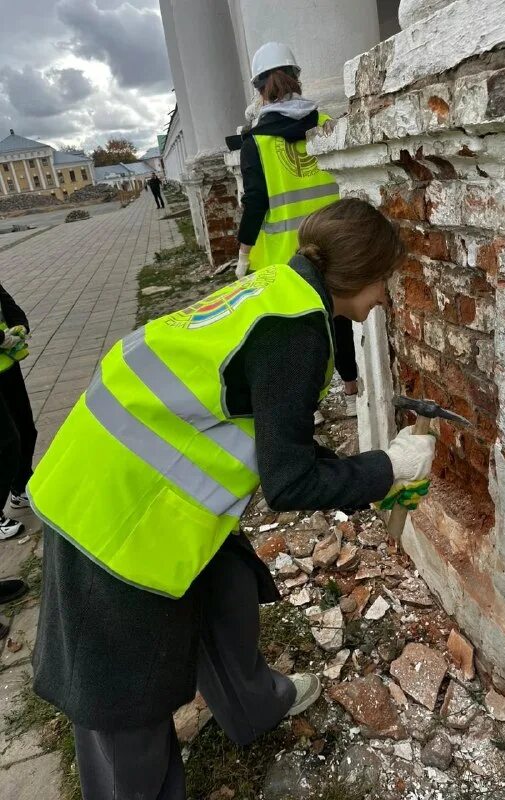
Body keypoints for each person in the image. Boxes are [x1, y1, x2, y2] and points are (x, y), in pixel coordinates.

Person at [29, 199, 436, 800]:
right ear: (352, 275)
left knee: (226, 589)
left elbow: (281, 445)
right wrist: (387, 467)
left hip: (138, 474)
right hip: (113, 506)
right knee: (121, 689)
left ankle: (252, 704)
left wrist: (380, 470)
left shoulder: (285, 289)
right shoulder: (295, 334)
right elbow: (289, 483)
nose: (384, 298)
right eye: (382, 281)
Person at [235, 42, 359, 417]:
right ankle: (352, 384)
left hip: (284, 257)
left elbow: (256, 201)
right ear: (297, 79)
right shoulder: (326, 126)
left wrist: (243, 254)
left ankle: (311, 404)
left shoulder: (255, 142)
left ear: (259, 89)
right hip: (334, 242)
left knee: (297, 332)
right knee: (337, 314)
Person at [0, 282, 37, 540]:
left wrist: (20, 325)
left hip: (5, 364)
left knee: (26, 429)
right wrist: (2, 338)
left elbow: (6, 301)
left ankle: (21, 487)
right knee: (6, 443)